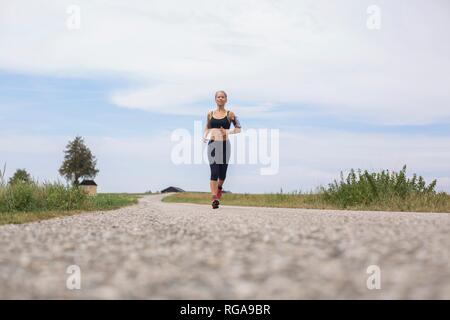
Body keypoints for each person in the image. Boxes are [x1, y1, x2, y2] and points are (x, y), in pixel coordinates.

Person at [202, 90, 241, 209]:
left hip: (225, 145)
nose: (220, 99)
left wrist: (228, 131)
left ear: (226, 99)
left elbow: (238, 128)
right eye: (218, 97)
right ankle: (214, 198)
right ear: (215, 99)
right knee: (214, 172)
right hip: (213, 144)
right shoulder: (210, 114)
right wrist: (204, 136)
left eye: (222, 97)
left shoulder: (230, 114)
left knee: (222, 174)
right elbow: (207, 127)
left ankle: (219, 187)